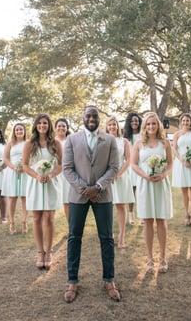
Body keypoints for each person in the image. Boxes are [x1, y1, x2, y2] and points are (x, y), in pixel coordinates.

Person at [63, 105, 120, 303]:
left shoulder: (110, 140)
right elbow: (67, 168)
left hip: (102, 196)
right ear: (83, 118)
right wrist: (84, 189)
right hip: (78, 196)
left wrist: (98, 187)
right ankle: (72, 281)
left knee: (107, 238)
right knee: (74, 237)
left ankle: (109, 280)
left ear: (99, 118)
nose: (91, 118)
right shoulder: (71, 139)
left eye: (95, 115)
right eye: (88, 115)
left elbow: (114, 167)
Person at [131, 112, 173, 273]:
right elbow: (133, 164)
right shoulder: (139, 144)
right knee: (148, 221)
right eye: (148, 124)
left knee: (161, 220)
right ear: (144, 126)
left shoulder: (165, 143)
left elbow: (170, 164)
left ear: (158, 125)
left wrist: (163, 174)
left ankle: (163, 258)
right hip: (145, 185)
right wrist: (145, 175)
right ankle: (149, 258)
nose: (151, 127)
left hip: (161, 184)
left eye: (153, 124)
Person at [23, 114, 62, 270]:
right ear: (35, 126)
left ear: (49, 125)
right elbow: (25, 165)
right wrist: (38, 175)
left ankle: (49, 252)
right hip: (35, 182)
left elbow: (60, 165)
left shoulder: (56, 144)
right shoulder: (29, 144)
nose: (42, 125)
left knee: (49, 217)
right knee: (37, 217)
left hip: (51, 183)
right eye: (39, 123)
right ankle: (40, 252)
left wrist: (50, 175)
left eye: (45, 123)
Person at [106, 116, 134, 249]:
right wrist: (108, 175)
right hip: (107, 178)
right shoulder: (102, 141)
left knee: (120, 206)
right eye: (109, 125)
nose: (112, 127)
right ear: (107, 127)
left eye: (114, 124)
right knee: (106, 207)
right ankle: (108, 235)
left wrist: (118, 173)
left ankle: (122, 236)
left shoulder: (124, 142)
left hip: (121, 176)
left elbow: (128, 160)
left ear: (117, 126)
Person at [2, 123, 28, 234]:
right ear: (14, 131)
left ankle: (24, 222)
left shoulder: (28, 143)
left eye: (21, 129)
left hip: (25, 172)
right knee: (12, 198)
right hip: (12, 172)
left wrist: (24, 166)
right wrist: (14, 167)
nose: (19, 131)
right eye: (17, 130)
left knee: (24, 198)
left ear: (24, 131)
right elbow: (6, 158)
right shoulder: (10, 144)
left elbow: (32, 156)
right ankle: (12, 223)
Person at [123, 112, 142, 225]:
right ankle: (131, 214)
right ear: (129, 123)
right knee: (132, 191)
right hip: (130, 165)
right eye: (132, 121)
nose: (134, 122)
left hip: (141, 165)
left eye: (136, 121)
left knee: (142, 190)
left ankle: (143, 215)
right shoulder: (126, 136)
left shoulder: (143, 134)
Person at [55, 118, 71, 222]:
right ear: (55, 128)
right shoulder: (51, 141)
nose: (61, 128)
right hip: (54, 173)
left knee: (67, 201)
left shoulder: (71, 140)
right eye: (59, 126)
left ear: (67, 128)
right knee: (52, 201)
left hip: (67, 174)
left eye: (64, 126)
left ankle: (71, 228)